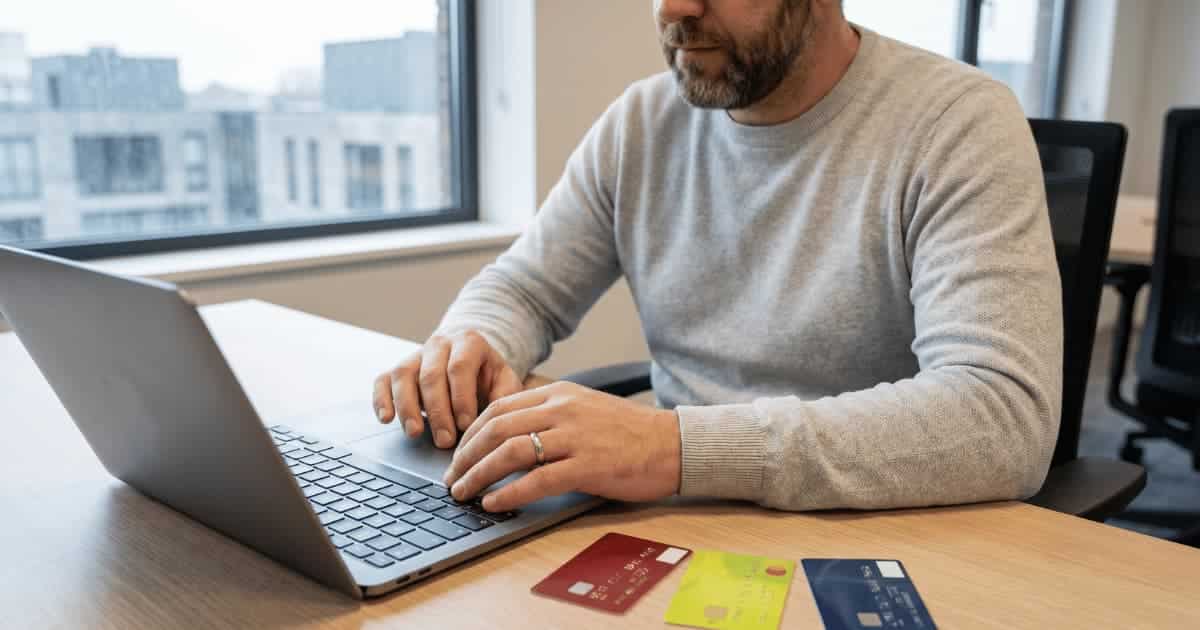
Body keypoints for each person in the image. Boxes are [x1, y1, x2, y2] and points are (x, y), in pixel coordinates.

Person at [372, 0, 1063, 515]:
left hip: (878, 533)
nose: (674, 8)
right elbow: (524, 288)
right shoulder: (642, 124)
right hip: (679, 518)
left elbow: (1001, 417)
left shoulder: (957, 123)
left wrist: (668, 448)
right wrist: (472, 344)